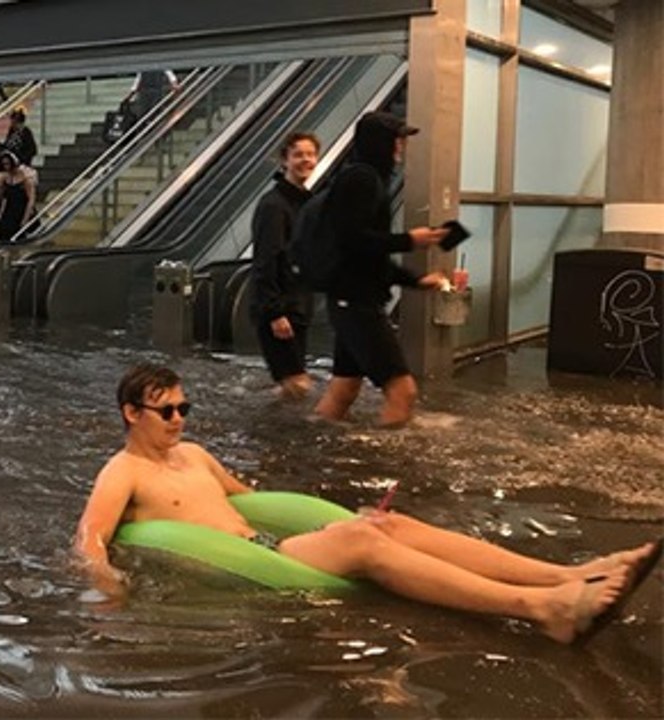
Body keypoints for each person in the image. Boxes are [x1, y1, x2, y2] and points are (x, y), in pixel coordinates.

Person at [74, 364, 661, 645]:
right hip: (246, 564)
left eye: (185, 409)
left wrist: (341, 521)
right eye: (168, 411)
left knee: (388, 522)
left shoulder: (195, 455)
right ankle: (540, 608)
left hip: (268, 543)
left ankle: (574, 573)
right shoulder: (122, 471)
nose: (180, 420)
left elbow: (255, 504)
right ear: (133, 413)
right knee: (362, 541)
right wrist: (110, 593)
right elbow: (90, 539)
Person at [314, 111, 449, 427]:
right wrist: (408, 240)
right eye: (396, 139)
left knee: (345, 388)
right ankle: (388, 467)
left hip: (351, 298)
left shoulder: (366, 178)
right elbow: (353, 240)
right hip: (356, 303)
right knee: (403, 391)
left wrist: (415, 279)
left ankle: (312, 448)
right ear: (379, 142)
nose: (401, 145)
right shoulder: (362, 180)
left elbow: (369, 256)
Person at [250, 132, 320, 398]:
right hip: (279, 311)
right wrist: (275, 312)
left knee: (292, 383)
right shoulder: (273, 206)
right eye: (298, 154)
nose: (306, 160)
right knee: (297, 384)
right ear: (284, 160)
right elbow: (265, 260)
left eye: (311, 154)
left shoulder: (307, 202)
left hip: (298, 307)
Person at [0, 150, 36, 244]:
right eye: (4, 164)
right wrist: (0, 215)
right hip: (8, 213)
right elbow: (4, 198)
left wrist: (25, 219)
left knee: (17, 240)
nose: (7, 167)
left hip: (20, 212)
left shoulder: (25, 178)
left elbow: (31, 199)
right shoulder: (6, 178)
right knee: (4, 238)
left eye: (8, 164)